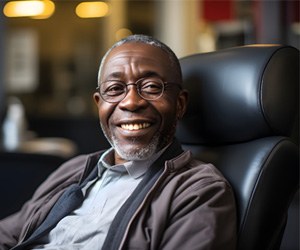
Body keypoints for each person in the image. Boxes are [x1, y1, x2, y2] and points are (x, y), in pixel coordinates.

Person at [0, 34, 237, 249]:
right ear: (99, 104)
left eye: (151, 87)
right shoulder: (73, 170)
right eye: (114, 89)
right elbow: (8, 234)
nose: (131, 102)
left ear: (180, 104)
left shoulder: (198, 191)